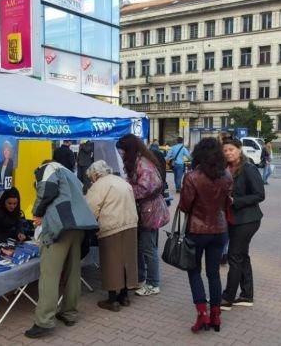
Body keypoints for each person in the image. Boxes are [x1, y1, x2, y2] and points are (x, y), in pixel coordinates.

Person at [24, 160, 98, 339]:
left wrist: (37, 213)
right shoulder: (70, 173)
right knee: (73, 273)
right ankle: (69, 313)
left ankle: (44, 321)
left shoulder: (48, 168)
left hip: (59, 227)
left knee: (49, 275)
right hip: (78, 226)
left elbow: (47, 192)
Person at [178, 137, 232, 333]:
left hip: (197, 230)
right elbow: (226, 203)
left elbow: (184, 206)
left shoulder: (192, 177)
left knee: (193, 271)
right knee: (213, 273)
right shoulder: (226, 176)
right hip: (220, 230)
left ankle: (202, 314)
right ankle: (216, 315)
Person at [116, 134, 169, 297]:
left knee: (148, 248)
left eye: (122, 151)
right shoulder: (138, 161)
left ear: (129, 150)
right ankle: (141, 277)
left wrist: (127, 191)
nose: (120, 154)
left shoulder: (143, 164)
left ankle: (154, 283)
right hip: (145, 209)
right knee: (142, 246)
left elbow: (147, 188)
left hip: (150, 210)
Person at [85, 160, 138, 312]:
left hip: (111, 227)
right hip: (130, 224)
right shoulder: (122, 182)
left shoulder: (99, 185)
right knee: (127, 261)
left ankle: (113, 300)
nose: (91, 180)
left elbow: (91, 208)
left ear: (96, 174)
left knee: (111, 263)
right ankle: (125, 296)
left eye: (91, 177)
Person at [221, 139, 265, 310]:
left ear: (239, 150)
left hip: (247, 219)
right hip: (233, 218)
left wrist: (235, 201)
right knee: (242, 256)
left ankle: (227, 298)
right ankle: (246, 295)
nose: (228, 153)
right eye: (225, 150)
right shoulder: (226, 168)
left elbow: (259, 194)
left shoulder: (248, 168)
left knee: (235, 256)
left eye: (231, 149)